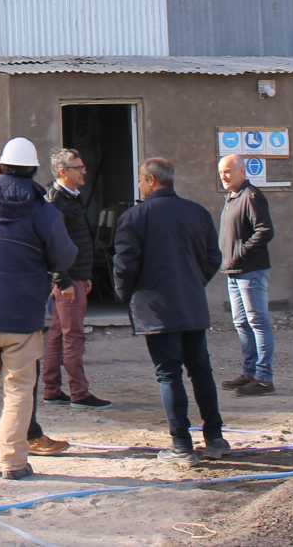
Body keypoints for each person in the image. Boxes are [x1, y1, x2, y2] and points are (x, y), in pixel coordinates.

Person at [0, 137, 76, 479]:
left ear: (1, 166)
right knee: (19, 388)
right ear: (33, 170)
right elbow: (64, 256)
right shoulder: (43, 212)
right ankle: (13, 461)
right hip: (23, 315)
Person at [113, 157, 230, 466]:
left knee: (168, 374)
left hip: (156, 309)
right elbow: (213, 256)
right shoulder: (197, 213)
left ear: (151, 181)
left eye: (141, 179)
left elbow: (125, 265)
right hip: (190, 303)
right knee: (200, 370)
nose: (139, 185)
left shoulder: (135, 218)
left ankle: (181, 443)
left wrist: (125, 295)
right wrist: (194, 282)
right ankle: (215, 437)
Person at [43, 147, 110, 409]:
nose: (84, 171)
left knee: (59, 332)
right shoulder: (57, 202)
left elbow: (78, 239)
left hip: (76, 276)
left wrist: (86, 274)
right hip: (67, 279)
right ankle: (79, 392)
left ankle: (51, 388)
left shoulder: (71, 197)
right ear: (63, 172)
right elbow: (54, 245)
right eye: (78, 167)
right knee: (73, 334)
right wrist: (65, 280)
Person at [218, 154, 277, 395]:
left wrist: (240, 252)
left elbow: (265, 231)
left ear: (242, 171)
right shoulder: (232, 197)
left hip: (250, 271)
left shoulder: (251, 196)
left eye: (228, 171)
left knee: (257, 322)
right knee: (241, 323)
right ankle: (249, 372)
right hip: (234, 271)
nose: (224, 176)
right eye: (221, 172)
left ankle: (264, 378)